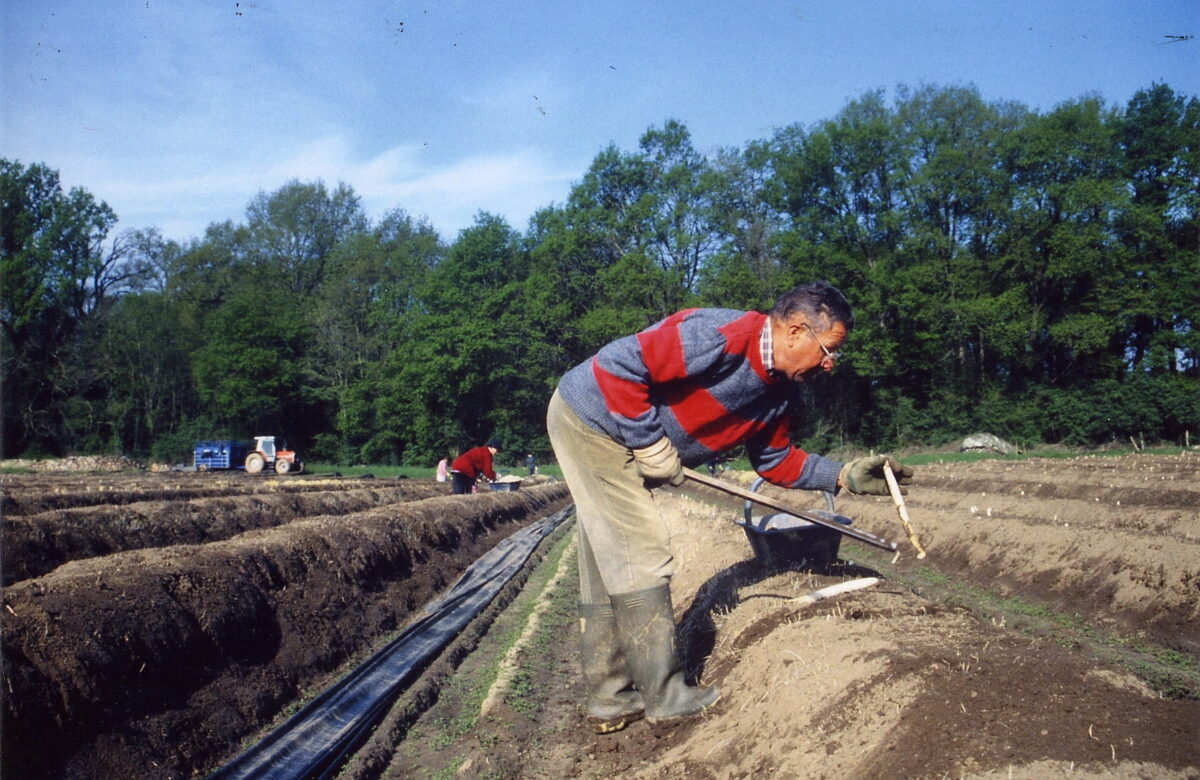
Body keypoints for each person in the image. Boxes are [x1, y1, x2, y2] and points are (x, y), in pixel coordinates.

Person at [546, 281, 913, 733]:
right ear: (796, 331)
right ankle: (665, 697)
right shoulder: (720, 336)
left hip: (618, 434)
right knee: (638, 550)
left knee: (607, 559)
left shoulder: (781, 394)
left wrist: (844, 476)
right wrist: (650, 441)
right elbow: (617, 366)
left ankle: (610, 698)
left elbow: (776, 461)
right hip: (593, 420)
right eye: (828, 349)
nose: (829, 362)